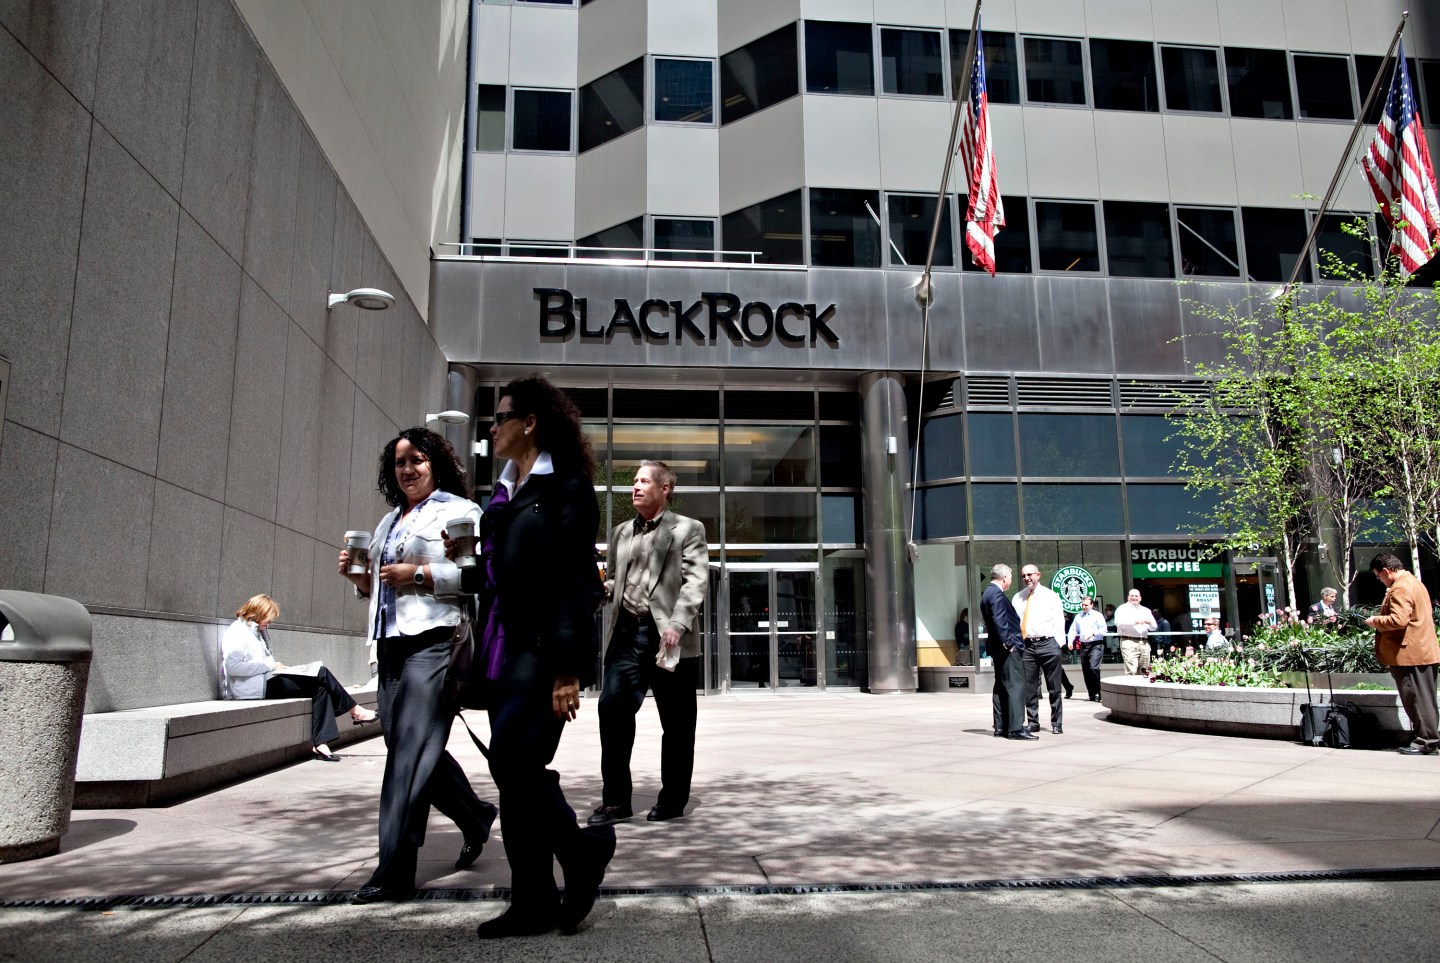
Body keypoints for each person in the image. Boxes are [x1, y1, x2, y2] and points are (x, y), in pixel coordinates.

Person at [464, 375, 615, 938]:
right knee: (512, 776)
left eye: (500, 418)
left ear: (528, 423)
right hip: (501, 652)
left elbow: (577, 581)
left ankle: (582, 851)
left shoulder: (566, 488)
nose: (492, 428)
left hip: (543, 652)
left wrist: (568, 668)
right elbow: (496, 577)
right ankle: (532, 900)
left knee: (513, 762)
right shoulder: (500, 495)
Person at [337, 427, 497, 904]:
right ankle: (474, 815)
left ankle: (394, 869)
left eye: (417, 460)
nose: (408, 469)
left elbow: (474, 577)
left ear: (437, 465)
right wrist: (359, 579)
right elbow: (376, 588)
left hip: (435, 639)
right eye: (400, 462)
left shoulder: (461, 512)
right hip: (388, 644)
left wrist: (420, 573)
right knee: (404, 742)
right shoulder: (387, 523)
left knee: (407, 754)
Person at [589, 460, 708, 827]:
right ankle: (615, 802)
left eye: (643, 481)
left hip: (669, 638)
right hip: (626, 635)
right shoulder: (622, 532)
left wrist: (677, 624)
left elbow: (695, 581)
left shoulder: (687, 529)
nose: (635, 487)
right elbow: (616, 582)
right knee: (611, 713)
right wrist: (599, 591)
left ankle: (672, 799)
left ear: (664, 488)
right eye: (634, 482)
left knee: (677, 725)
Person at [220, 594, 377, 761]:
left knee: (320, 688)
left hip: (265, 681)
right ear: (256, 613)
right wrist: (270, 666)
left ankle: (321, 744)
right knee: (321, 672)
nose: (269, 623)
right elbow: (233, 667)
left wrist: (276, 667)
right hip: (254, 689)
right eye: (268, 619)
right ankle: (356, 711)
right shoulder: (237, 632)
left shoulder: (256, 632)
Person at [1364, 553, 1440, 756]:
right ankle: (1425, 738)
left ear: (1386, 571)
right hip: (1420, 651)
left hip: (1411, 654)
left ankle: (1426, 741)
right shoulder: (1413, 582)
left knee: (1415, 697)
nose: (1380, 580)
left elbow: (1398, 619)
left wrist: (1375, 621)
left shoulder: (1401, 588)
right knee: (1424, 698)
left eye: (1379, 576)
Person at [981, 564, 1032, 740]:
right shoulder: (995, 594)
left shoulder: (987, 593)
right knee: (1015, 686)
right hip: (1007, 649)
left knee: (1001, 686)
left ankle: (1001, 727)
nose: (1011, 580)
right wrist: (1009, 644)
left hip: (997, 649)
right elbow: (1000, 620)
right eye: (1010, 576)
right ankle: (1016, 728)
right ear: (1004, 578)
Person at [1013, 565, 1066, 734]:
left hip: (1048, 644)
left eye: (1030, 574)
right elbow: (1015, 622)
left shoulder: (1051, 596)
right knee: (1030, 688)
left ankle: (1057, 724)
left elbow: (1059, 620)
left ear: (1038, 575)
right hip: (1027, 647)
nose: (1027, 578)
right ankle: (1033, 722)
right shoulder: (1018, 597)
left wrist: (1058, 644)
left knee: (1054, 687)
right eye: (1023, 576)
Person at [1067, 596, 1108, 702]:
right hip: (1084, 645)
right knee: (1086, 670)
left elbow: (1104, 629)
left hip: (1096, 644)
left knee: (1093, 668)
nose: (1084, 607)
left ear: (1092, 605)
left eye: (1086, 605)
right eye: (1082, 605)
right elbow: (1073, 630)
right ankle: (1092, 694)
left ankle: (1100, 692)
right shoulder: (1078, 617)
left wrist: (1093, 633)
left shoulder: (1097, 616)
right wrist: (1070, 641)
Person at [1114, 588, 1157, 676]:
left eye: (1136, 596)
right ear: (1128, 597)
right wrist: (1135, 621)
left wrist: (1149, 622)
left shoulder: (1146, 610)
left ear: (1140, 598)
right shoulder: (1122, 608)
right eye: (1132, 595)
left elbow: (1153, 628)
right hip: (1128, 641)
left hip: (1144, 642)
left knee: (1144, 671)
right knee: (1131, 670)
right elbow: (1118, 623)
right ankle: (1131, 689)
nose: (1134, 598)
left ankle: (1141, 689)